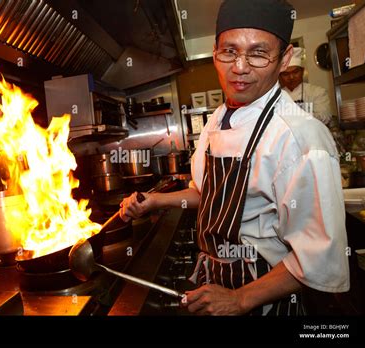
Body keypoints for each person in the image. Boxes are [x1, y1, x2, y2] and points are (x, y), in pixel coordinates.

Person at [119, 0, 349, 316]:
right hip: (217, 285)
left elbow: (318, 257)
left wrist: (240, 299)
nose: (239, 67)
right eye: (229, 51)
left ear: (284, 59)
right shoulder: (218, 117)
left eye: (258, 53)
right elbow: (211, 194)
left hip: (263, 300)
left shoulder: (300, 137)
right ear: (215, 53)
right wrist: (157, 201)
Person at [279, 47, 332, 125]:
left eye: (295, 72)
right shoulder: (277, 96)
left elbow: (324, 117)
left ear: (302, 71)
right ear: (280, 76)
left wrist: (293, 118)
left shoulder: (317, 92)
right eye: (286, 74)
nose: (291, 77)